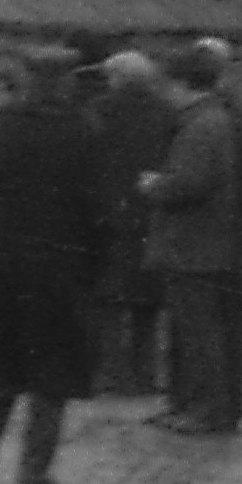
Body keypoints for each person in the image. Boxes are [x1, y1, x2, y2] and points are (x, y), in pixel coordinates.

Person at [0, 45, 109, 484]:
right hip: (61, 274)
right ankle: (33, 471)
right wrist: (90, 267)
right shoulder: (84, 131)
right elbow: (100, 211)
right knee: (51, 380)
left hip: (2, 273)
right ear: (66, 81)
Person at [141, 38, 242, 435]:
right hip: (206, 246)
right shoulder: (213, 120)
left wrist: (155, 186)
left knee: (199, 333)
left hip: (193, 247)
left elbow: (190, 183)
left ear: (182, 83)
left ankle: (207, 409)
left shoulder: (202, 125)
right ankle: (198, 406)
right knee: (199, 331)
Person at [90, 45, 178, 397]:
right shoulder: (167, 113)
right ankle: (145, 375)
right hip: (152, 216)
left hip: (110, 218)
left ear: (117, 78)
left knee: (108, 302)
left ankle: (111, 373)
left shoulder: (99, 111)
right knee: (147, 304)